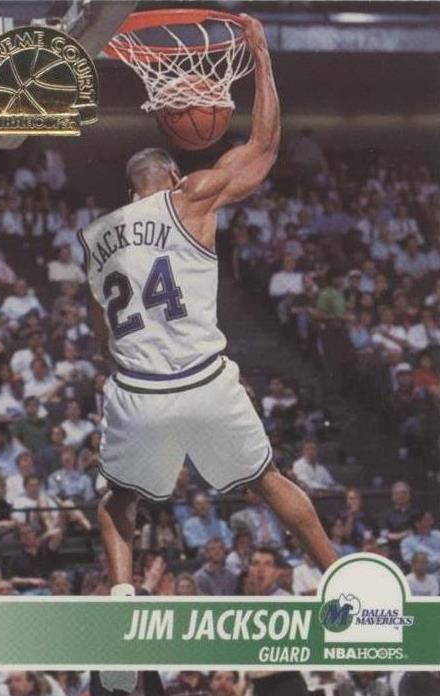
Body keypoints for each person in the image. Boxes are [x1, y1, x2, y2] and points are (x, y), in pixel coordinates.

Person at [90, 16, 337, 597]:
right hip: (202, 380)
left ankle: (121, 596)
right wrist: (261, 58)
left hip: (138, 390)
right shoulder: (191, 197)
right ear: (175, 176)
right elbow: (264, 147)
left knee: (116, 499)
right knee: (268, 481)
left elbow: (102, 331)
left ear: (130, 191)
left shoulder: (98, 237)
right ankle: (341, 575)